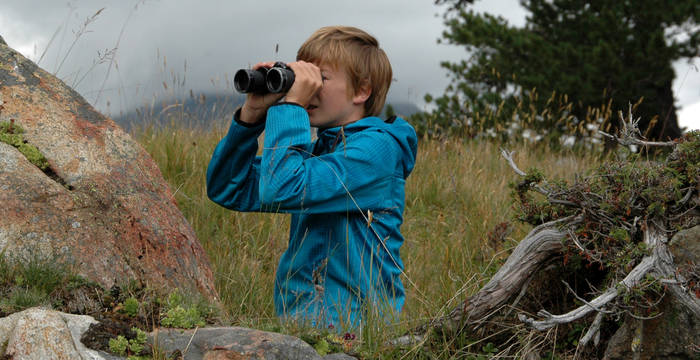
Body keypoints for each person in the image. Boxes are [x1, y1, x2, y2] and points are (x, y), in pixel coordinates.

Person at [206, 26, 417, 330]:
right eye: (305, 76)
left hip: (355, 331)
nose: (310, 87)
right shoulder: (320, 153)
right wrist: (252, 114)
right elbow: (228, 188)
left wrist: (290, 107)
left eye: (322, 78)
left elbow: (283, 190)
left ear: (361, 91)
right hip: (302, 325)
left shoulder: (378, 151)